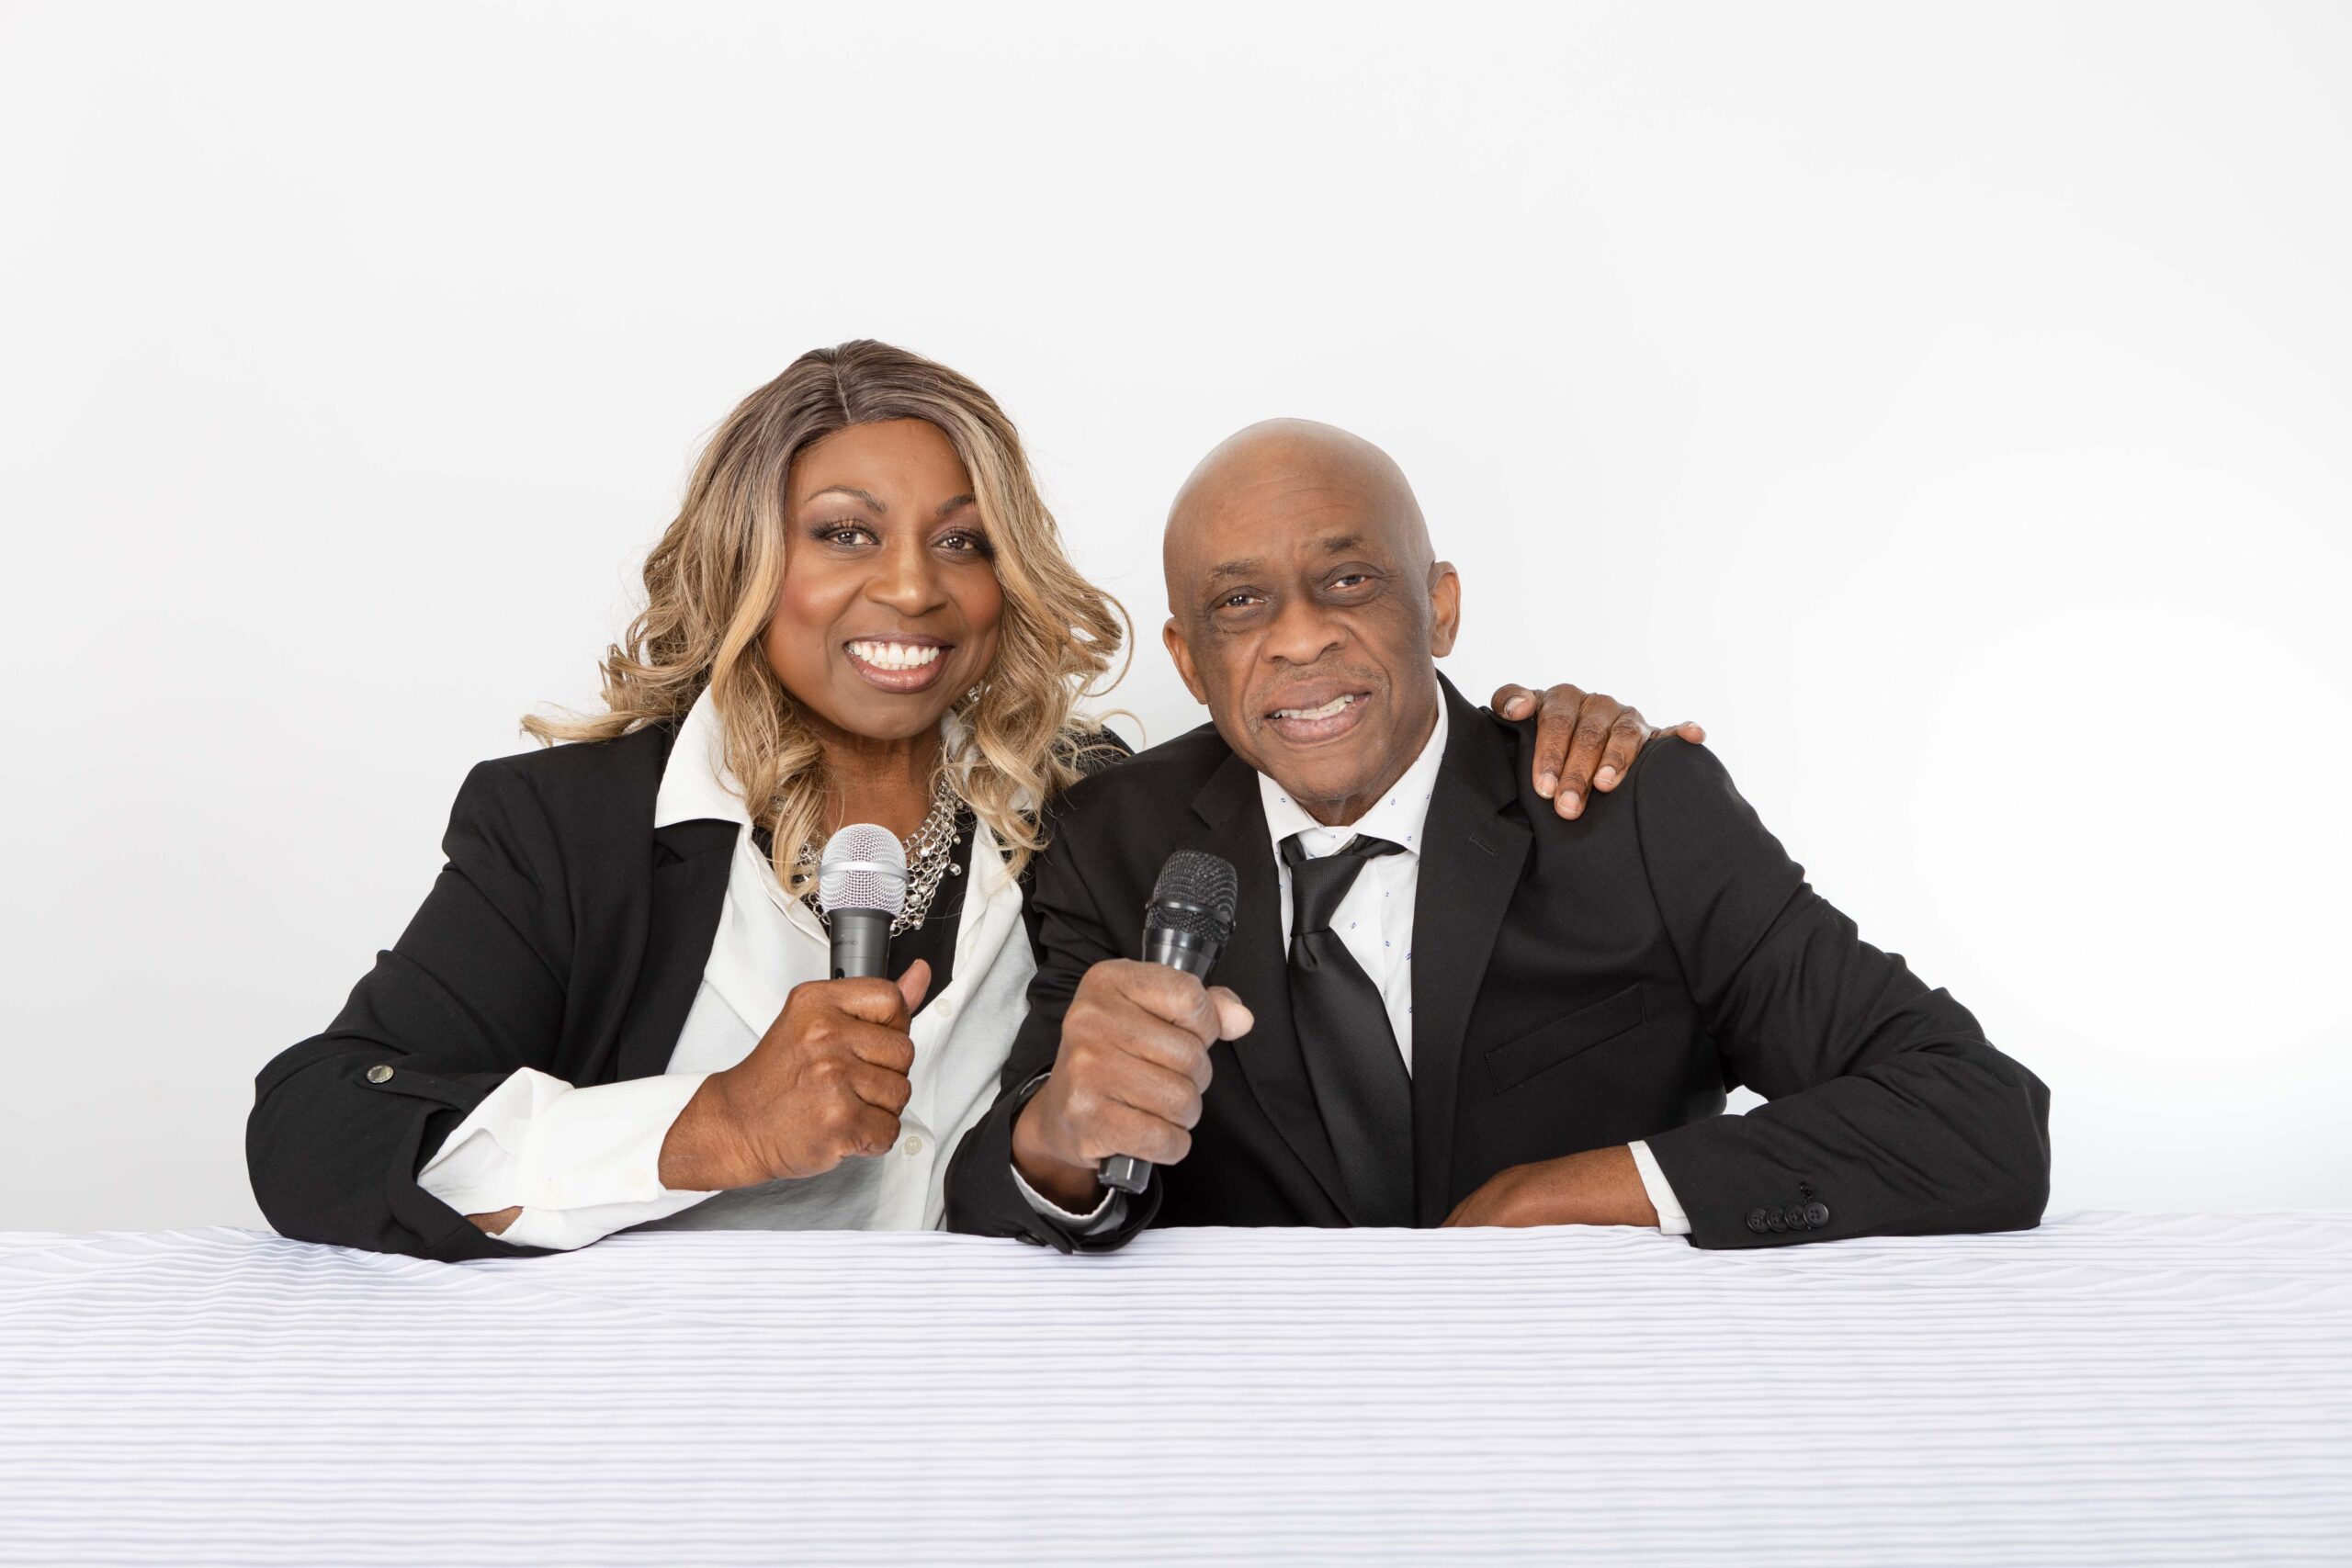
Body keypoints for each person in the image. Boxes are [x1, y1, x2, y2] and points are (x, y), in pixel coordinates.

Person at [244, 346, 1696, 1260]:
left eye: (962, 540)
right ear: (752, 565)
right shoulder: (570, 830)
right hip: (644, 1417)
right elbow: (313, 1130)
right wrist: (710, 1129)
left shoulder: (1105, 817)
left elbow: (1350, 746)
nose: (912, 589)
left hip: (1007, 1416)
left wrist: (1559, 735)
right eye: (843, 535)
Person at [944, 419, 2052, 1250]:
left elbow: (1978, 1116)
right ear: (1189, 664)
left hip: (1594, 1401)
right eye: (1240, 605)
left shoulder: (1628, 807)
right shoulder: (1113, 839)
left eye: (1348, 579)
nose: (1299, 638)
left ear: (1442, 607)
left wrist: (1579, 1192)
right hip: (1256, 1416)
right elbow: (992, 1197)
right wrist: (1058, 1140)